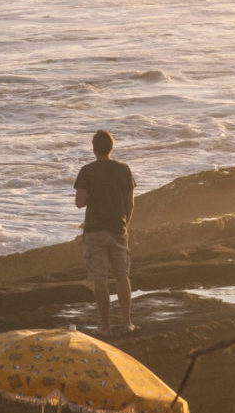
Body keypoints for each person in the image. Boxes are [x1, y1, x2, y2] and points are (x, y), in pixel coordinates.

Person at [73, 129, 136, 338]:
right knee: (122, 276)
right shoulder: (124, 169)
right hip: (118, 229)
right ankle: (127, 324)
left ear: (93, 149)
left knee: (100, 279)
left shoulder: (87, 171)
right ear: (111, 147)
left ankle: (105, 327)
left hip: (94, 231)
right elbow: (130, 202)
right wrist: (125, 222)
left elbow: (80, 202)